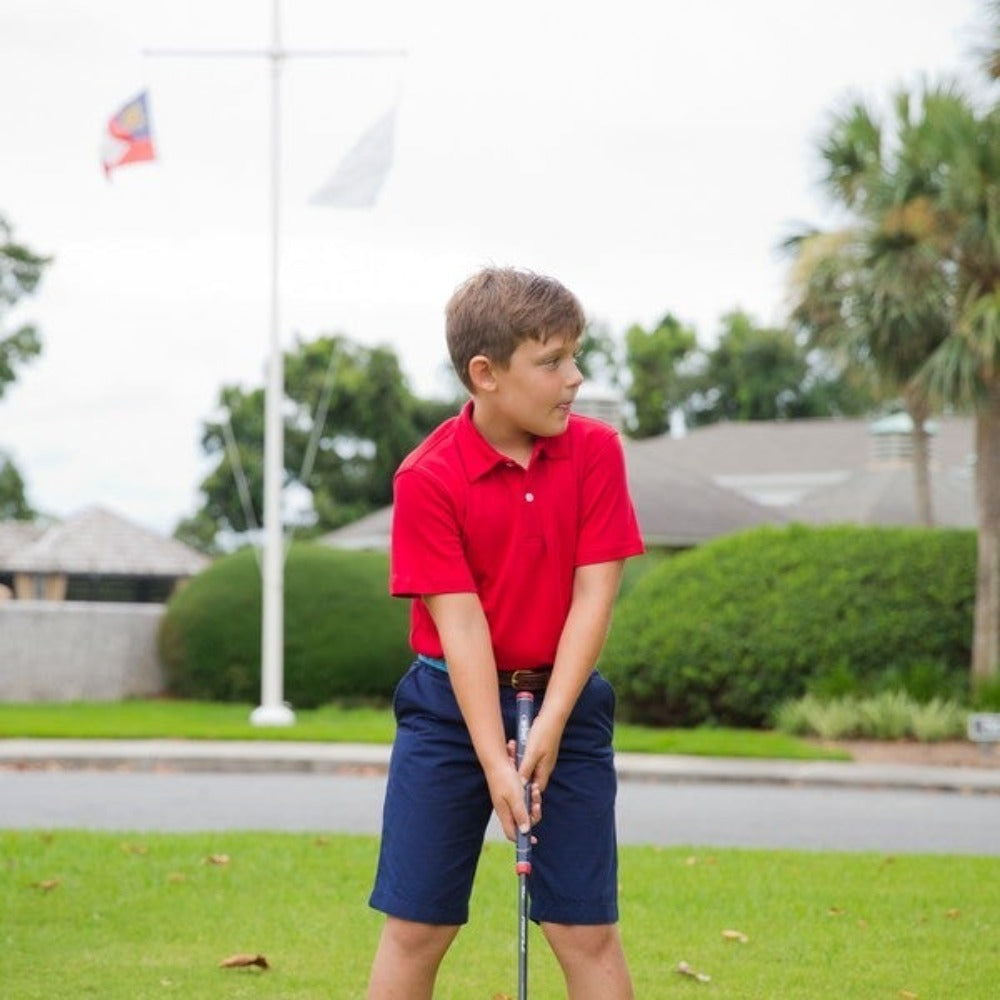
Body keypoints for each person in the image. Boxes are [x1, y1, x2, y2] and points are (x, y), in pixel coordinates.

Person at [366, 266, 644, 1000]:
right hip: (447, 712)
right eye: (551, 362)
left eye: (574, 356)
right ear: (484, 373)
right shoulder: (427, 478)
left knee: (587, 931)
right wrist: (496, 761)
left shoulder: (596, 454)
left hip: (569, 703)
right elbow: (460, 627)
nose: (574, 378)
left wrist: (549, 726)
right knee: (416, 926)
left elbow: (594, 599)